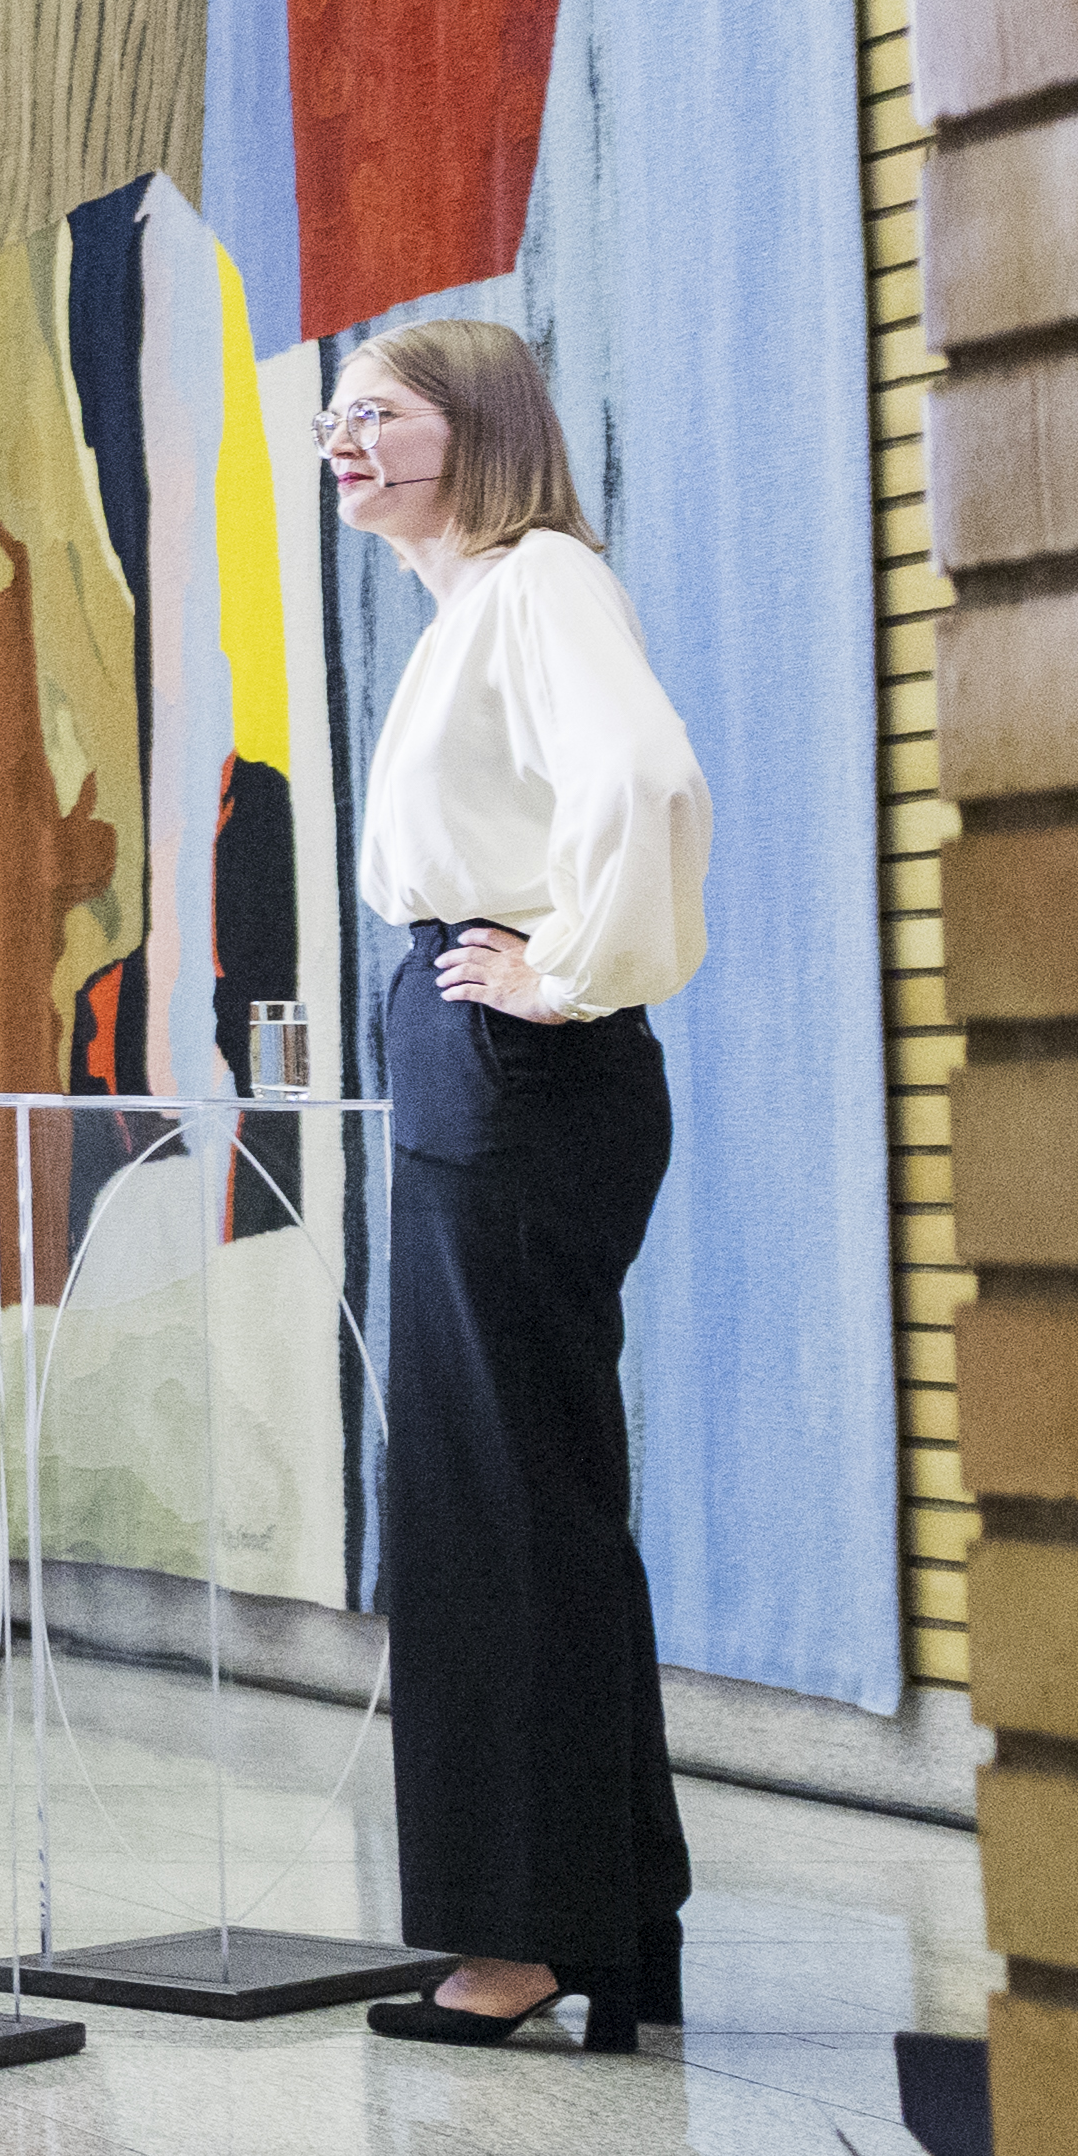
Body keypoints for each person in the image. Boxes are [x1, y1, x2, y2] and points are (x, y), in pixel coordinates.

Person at [328, 315, 711, 2052]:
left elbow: (644, 779)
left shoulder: (539, 577)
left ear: (472, 427)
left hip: (515, 1065)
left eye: (378, 414)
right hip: (489, 1062)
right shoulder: (472, 604)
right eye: (334, 415)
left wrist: (571, 964)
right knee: (529, 1494)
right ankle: (607, 1913)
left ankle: (524, 1934)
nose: (342, 441)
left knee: (496, 1510)